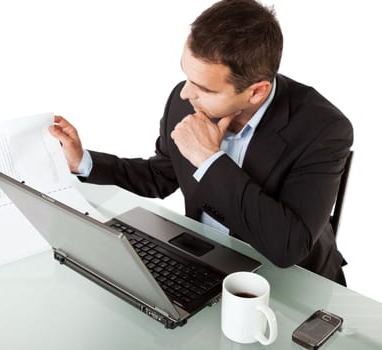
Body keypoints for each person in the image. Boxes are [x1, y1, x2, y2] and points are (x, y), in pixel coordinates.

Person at [48, 0, 353, 285]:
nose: (185, 93)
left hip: (291, 280)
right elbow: (162, 176)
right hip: (209, 265)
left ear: (257, 92)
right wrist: (82, 161)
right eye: (186, 76)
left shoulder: (324, 130)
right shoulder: (189, 100)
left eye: (204, 88)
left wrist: (209, 160)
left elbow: (288, 246)